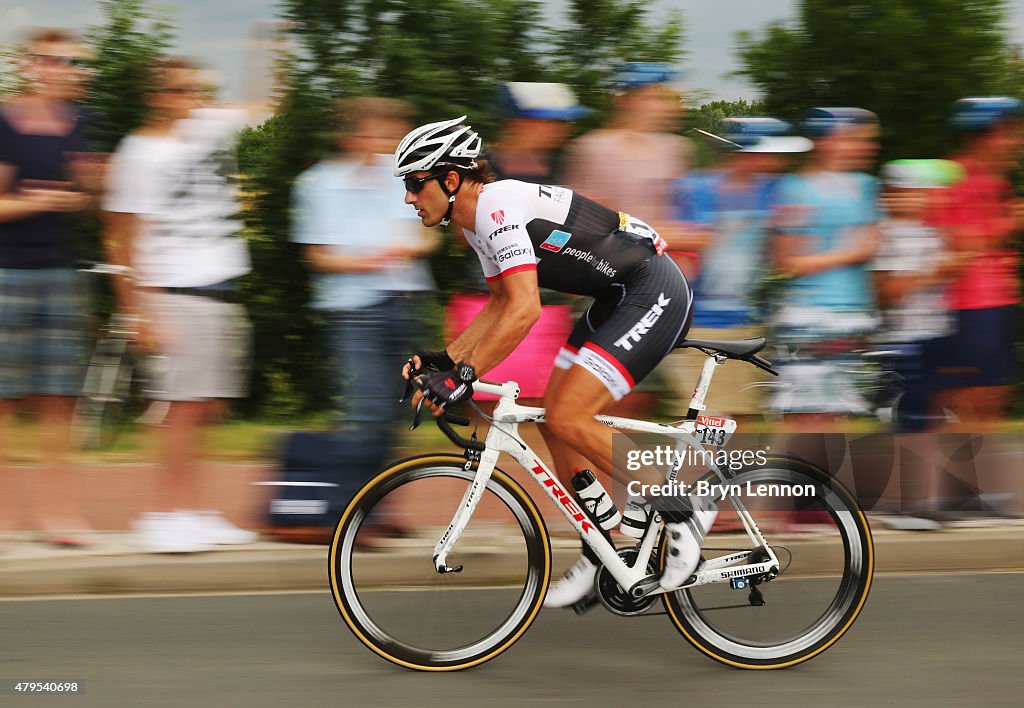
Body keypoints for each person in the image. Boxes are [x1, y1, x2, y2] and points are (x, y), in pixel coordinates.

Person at [393, 116, 711, 608]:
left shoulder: (496, 209)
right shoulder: (474, 222)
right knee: (552, 420)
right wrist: (446, 359)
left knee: (569, 414)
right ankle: (603, 544)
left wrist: (464, 375)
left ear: (450, 179)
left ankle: (681, 511)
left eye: (416, 183)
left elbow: (525, 309)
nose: (410, 198)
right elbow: (500, 303)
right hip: (613, 296)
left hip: (653, 289)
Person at [103, 57, 260, 553]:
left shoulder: (208, 127)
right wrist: (137, 311)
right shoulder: (140, 153)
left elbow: (264, 103)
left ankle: (192, 510)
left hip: (219, 289)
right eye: (178, 91)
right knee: (180, 411)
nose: (190, 99)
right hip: (172, 293)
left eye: (196, 90)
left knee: (206, 407)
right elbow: (119, 239)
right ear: (155, 96)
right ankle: (161, 513)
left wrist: (270, 45)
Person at [290, 96, 437, 539]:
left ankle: (380, 508)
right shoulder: (317, 184)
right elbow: (316, 256)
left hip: (406, 302)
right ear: (350, 135)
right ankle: (345, 513)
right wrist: (364, 261)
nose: (388, 142)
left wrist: (412, 247)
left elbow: (429, 237)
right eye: (379, 132)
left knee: (401, 412)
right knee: (366, 410)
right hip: (353, 309)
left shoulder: (407, 179)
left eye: (394, 133)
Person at [0, 28, 95, 547]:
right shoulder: (5, 123)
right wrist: (40, 201)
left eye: (78, 64)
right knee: (5, 403)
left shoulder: (79, 124)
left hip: (61, 273)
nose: (71, 71)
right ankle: (6, 518)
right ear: (30, 64)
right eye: (60, 61)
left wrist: (86, 190)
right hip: (7, 274)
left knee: (59, 401)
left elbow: (85, 194)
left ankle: (60, 516)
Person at [665, 117, 811, 419]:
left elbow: (787, 248)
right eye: (771, 153)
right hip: (698, 321)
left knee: (738, 419)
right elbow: (678, 251)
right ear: (746, 152)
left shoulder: (775, 190)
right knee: (704, 421)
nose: (779, 160)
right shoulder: (694, 188)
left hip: (747, 321)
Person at [770, 107, 882, 422]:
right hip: (808, 314)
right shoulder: (795, 187)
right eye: (859, 139)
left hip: (855, 313)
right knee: (805, 417)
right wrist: (852, 251)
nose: (869, 146)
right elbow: (788, 261)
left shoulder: (866, 185)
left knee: (838, 416)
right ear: (829, 140)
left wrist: (835, 253)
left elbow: (872, 245)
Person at [929, 97, 1023, 426]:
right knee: (968, 401)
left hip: (996, 302)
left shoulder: (998, 181)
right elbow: (956, 242)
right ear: (983, 134)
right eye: (1010, 133)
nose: (1018, 141)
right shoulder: (952, 176)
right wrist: (1009, 223)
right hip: (967, 305)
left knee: (994, 399)